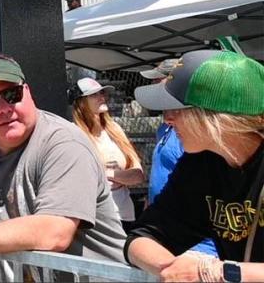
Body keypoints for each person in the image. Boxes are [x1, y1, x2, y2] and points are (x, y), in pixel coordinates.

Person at [0, 53, 126, 282]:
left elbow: (54, 232)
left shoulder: (64, 142)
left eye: (12, 94)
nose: (5, 108)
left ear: (27, 92)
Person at [126, 50, 264, 282]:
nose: (167, 119)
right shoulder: (202, 162)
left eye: (176, 109)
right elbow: (142, 237)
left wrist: (218, 272)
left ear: (216, 117)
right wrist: (171, 270)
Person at [139, 58, 218, 257]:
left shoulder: (196, 137)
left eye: (157, 80)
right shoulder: (165, 128)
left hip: (199, 244)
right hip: (167, 226)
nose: (153, 85)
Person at [68, 77, 144, 231]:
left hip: (125, 215)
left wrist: (107, 172)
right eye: (94, 95)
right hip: (95, 219)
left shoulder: (115, 128)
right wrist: (120, 176)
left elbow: (138, 176)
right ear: (81, 102)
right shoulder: (72, 134)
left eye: (102, 93)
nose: (102, 97)